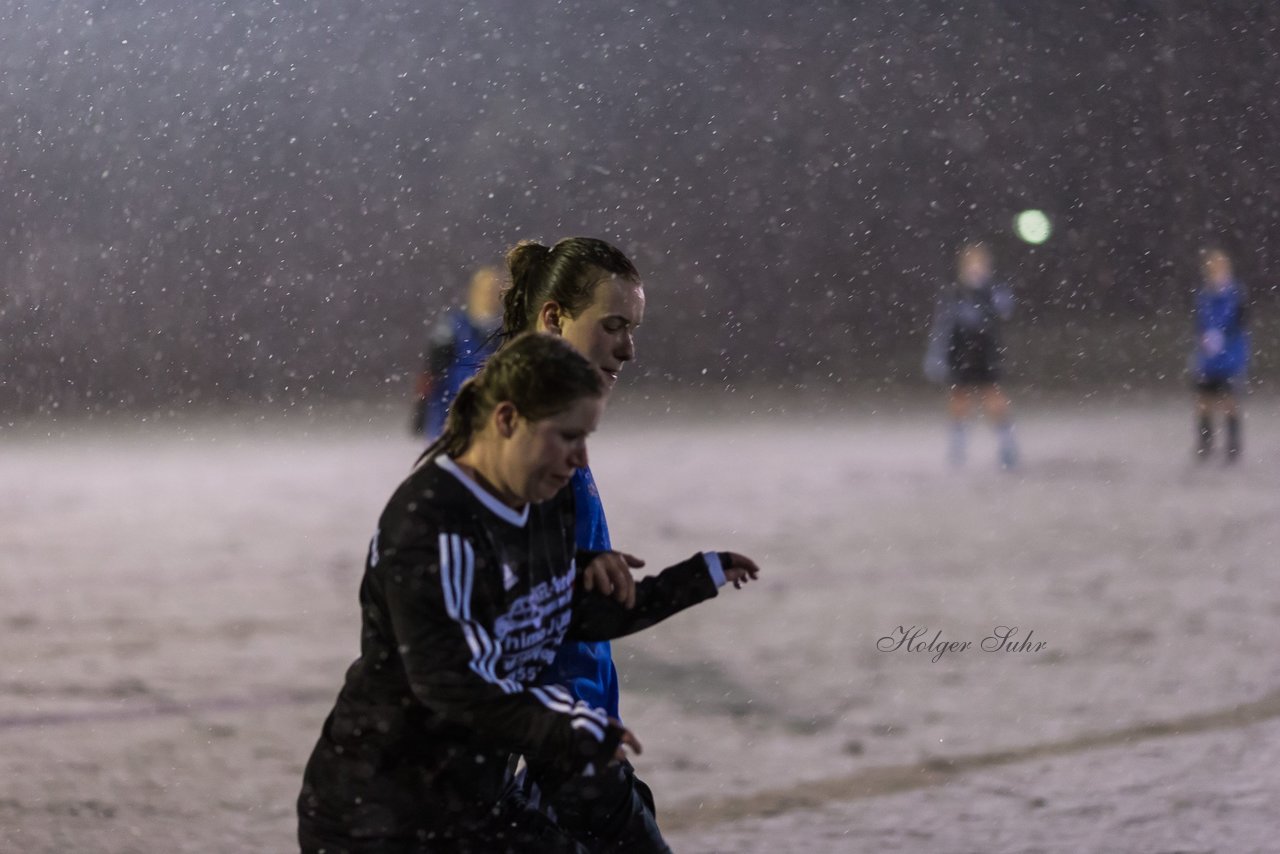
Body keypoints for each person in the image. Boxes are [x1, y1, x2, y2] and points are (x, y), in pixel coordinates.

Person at [297, 332, 760, 853]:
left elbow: (563, 613)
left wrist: (693, 579)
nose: (580, 459)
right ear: (507, 420)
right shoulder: (431, 523)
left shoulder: (545, 501)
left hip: (472, 805)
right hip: (383, 816)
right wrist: (569, 726)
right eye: (566, 436)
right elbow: (450, 683)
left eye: (586, 438)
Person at [497, 237, 673, 851]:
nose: (628, 348)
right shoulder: (518, 437)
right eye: (613, 326)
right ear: (553, 318)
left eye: (633, 328)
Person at [923, 241, 1019, 469]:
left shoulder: (992, 291)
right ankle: (958, 446)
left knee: (993, 396)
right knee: (959, 398)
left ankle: (1007, 444)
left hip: (985, 352)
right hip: (961, 352)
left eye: (980, 264)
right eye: (972, 264)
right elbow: (943, 327)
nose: (976, 268)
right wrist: (936, 355)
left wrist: (987, 293)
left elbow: (1005, 309)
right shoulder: (955, 294)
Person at [411, 266, 503, 440]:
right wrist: (421, 409)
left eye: (494, 290)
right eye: (485, 290)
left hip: (491, 416)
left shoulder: (506, 329)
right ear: (473, 292)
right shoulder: (453, 327)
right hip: (451, 412)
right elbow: (432, 372)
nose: (489, 297)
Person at [1190, 247, 1249, 462]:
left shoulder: (1236, 295)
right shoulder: (1203, 297)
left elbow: (1239, 324)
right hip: (1208, 361)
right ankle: (1205, 444)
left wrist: (1222, 338)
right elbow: (1199, 325)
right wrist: (1205, 340)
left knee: (1230, 402)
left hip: (1231, 359)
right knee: (1203, 403)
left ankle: (1233, 447)